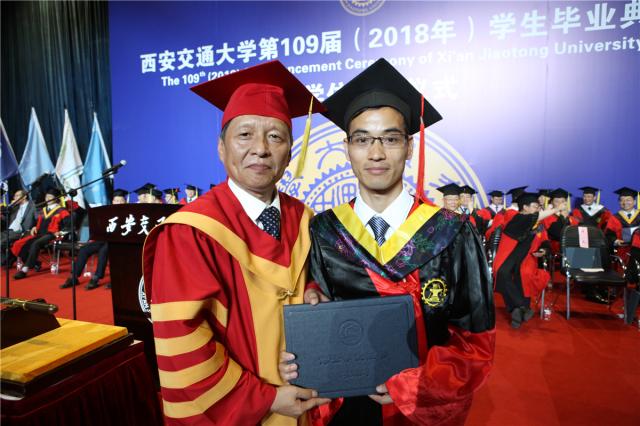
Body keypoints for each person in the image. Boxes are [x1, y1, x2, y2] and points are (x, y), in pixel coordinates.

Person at [281, 58, 495, 426]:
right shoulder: (323, 231)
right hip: (344, 408)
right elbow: (313, 306)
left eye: (391, 139)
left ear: (409, 147)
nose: (376, 153)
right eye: (362, 139)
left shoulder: (453, 232)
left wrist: (412, 385)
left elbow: (476, 343)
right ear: (347, 148)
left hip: (420, 410)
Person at [142, 60, 328, 425]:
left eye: (275, 137)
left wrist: (314, 291)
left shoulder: (306, 219)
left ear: (290, 151)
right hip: (237, 412)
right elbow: (182, 340)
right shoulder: (189, 232)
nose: (260, 149)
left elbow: (315, 283)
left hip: (305, 402)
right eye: (245, 135)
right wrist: (268, 398)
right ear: (221, 148)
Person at [493, 192, 558, 329]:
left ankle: (517, 312)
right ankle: (521, 307)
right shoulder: (512, 215)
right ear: (525, 207)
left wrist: (543, 250)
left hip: (528, 257)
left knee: (525, 274)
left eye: (538, 207)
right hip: (509, 255)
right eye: (535, 206)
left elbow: (545, 241)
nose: (537, 209)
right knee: (502, 273)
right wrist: (555, 209)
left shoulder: (539, 224)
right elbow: (527, 220)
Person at [59, 190, 128, 290]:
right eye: (117, 201)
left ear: (125, 201)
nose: (119, 203)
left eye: (121, 201)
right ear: (113, 201)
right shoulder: (107, 211)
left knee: (104, 251)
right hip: (104, 239)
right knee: (84, 250)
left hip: (119, 241)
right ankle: (74, 277)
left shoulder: (128, 213)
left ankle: (96, 278)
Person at [12, 188, 70, 279]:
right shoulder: (43, 210)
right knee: (20, 244)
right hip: (40, 234)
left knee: (36, 243)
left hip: (52, 235)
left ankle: (25, 269)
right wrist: (34, 227)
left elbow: (69, 226)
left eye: (50, 197)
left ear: (56, 198)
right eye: (46, 197)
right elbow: (37, 223)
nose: (47, 199)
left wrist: (60, 232)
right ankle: (35, 263)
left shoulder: (62, 211)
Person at [1, 189, 36, 266]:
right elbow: (6, 219)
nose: (15, 198)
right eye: (14, 196)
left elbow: (38, 218)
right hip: (9, 230)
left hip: (21, 231)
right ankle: (9, 258)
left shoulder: (32, 205)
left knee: (2, 242)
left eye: (17, 196)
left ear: (24, 196)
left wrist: (35, 226)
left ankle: (9, 258)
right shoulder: (14, 207)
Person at [541, 188, 578, 255]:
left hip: (571, 251)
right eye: (557, 201)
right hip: (554, 251)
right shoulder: (547, 217)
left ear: (566, 202)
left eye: (563, 201)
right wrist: (562, 217)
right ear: (551, 202)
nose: (560, 204)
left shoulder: (573, 219)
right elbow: (557, 234)